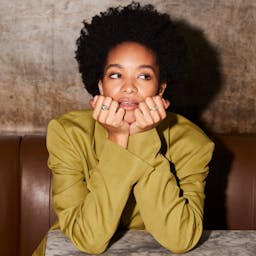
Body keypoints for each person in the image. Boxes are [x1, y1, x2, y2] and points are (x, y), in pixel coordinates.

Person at [33, 2, 214, 255]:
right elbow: (88, 240)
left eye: (144, 76)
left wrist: (141, 136)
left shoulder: (193, 143)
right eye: (116, 75)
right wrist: (117, 140)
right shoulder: (68, 133)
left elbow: (180, 239)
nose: (129, 88)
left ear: (161, 88)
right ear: (101, 84)